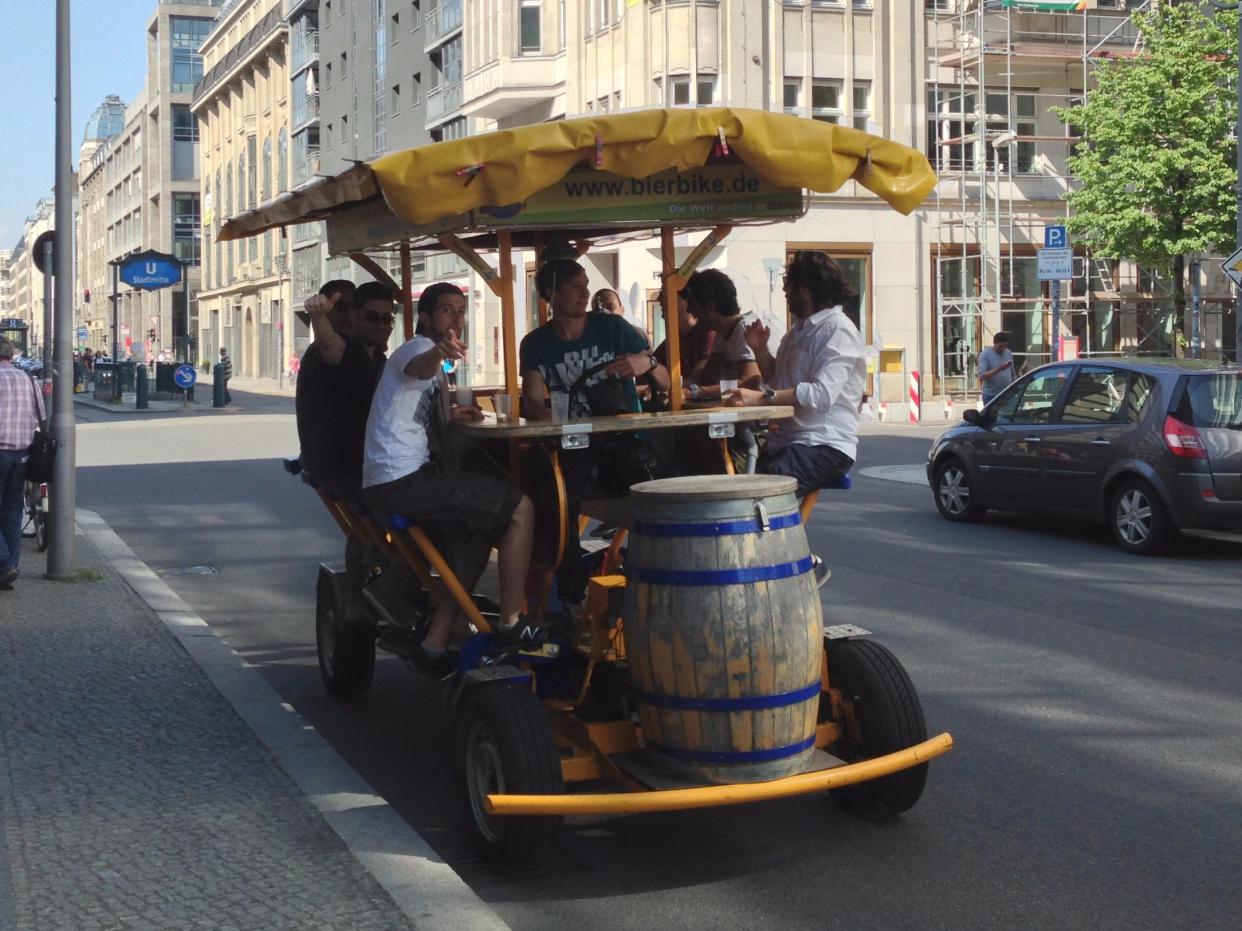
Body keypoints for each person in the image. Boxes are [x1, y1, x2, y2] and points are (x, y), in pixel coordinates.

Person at [362, 282, 542, 674]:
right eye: (447, 311)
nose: (456, 319)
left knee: (479, 529)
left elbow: (414, 403)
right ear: (425, 318)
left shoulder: (431, 355)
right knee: (521, 509)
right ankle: (513, 623)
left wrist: (450, 415)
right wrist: (439, 353)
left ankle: (435, 642)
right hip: (402, 482)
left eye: (461, 311)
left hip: (395, 480)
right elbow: (418, 367)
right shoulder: (417, 350)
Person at [521, 259, 669, 608]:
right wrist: (544, 413)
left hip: (622, 442)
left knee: (661, 496)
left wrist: (646, 364)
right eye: (575, 285)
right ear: (551, 294)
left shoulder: (613, 328)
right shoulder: (536, 344)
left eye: (585, 284)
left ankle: (656, 583)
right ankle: (571, 595)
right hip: (571, 446)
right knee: (558, 498)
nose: (584, 292)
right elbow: (532, 401)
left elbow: (665, 379)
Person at [727, 250, 866, 500]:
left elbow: (821, 395)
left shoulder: (838, 330)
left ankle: (777, 538)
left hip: (824, 445)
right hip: (789, 442)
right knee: (735, 484)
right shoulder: (797, 332)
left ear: (806, 288)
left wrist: (760, 399)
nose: (785, 293)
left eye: (789, 285)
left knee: (757, 494)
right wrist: (760, 350)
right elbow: (777, 380)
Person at [295, 278, 389, 621]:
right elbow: (328, 344)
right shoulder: (337, 350)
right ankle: (359, 597)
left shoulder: (373, 354)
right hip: (341, 464)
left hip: (360, 458)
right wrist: (319, 317)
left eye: (386, 319)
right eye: (342, 307)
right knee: (380, 509)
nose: (347, 315)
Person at [680, 268, 771, 400]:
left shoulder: (744, 330)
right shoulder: (722, 333)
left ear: (709, 307)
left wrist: (692, 392)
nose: (690, 312)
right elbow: (708, 377)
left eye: (692, 305)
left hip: (758, 417)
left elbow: (750, 382)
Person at [0, 338, 46, 590]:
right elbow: (42, 414)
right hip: (23, 454)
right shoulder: (28, 379)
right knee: (11, 513)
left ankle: (4, 565)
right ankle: (9, 569)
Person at [978, 331, 1016, 405]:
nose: (1003, 349)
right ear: (994, 344)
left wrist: (1014, 388)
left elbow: (1013, 374)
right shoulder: (985, 355)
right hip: (991, 395)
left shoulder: (1008, 353)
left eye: (1005, 346)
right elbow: (981, 376)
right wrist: (999, 368)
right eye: (1000, 346)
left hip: (1006, 394)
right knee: (991, 416)